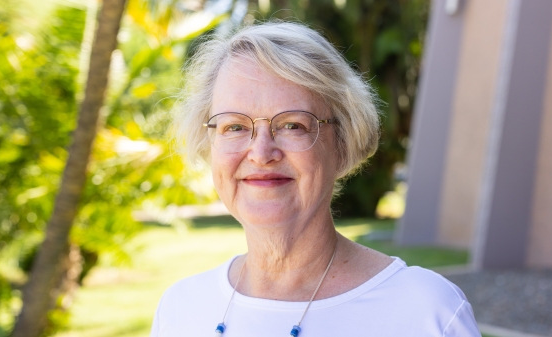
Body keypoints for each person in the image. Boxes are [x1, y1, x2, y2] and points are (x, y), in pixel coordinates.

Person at [150, 21, 480, 337]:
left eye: (293, 125)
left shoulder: (426, 313)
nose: (261, 152)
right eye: (234, 126)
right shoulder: (181, 309)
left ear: (342, 142)